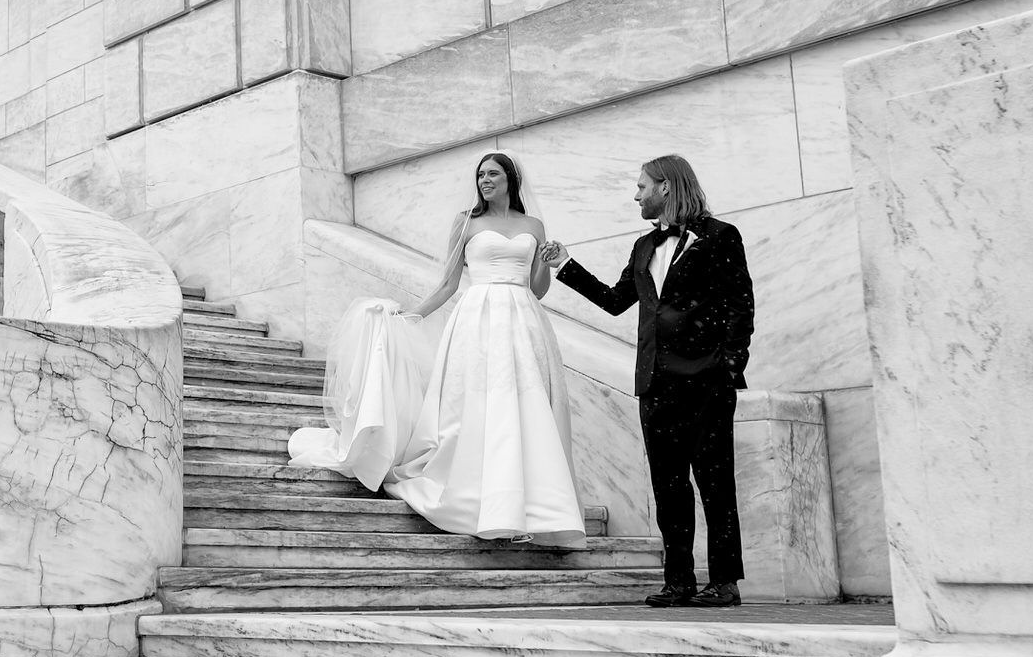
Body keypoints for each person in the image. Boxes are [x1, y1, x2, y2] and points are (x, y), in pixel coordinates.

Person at [289, 153, 588, 550]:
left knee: (527, 408)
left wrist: (548, 262)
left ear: (510, 178)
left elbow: (537, 289)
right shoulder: (466, 222)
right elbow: (448, 283)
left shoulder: (533, 225)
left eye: (492, 174)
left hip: (524, 320)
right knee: (482, 408)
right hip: (477, 319)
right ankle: (485, 500)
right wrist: (412, 316)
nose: (484, 180)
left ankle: (535, 506)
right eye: (480, 174)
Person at [540, 155, 754, 608]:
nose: (636, 195)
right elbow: (617, 301)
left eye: (641, 186)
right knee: (668, 486)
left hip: (706, 383)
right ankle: (679, 581)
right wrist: (566, 264)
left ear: (666, 187)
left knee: (716, 485)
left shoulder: (720, 237)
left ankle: (725, 582)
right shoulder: (642, 247)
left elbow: (741, 308)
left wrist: (729, 368)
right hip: (655, 385)